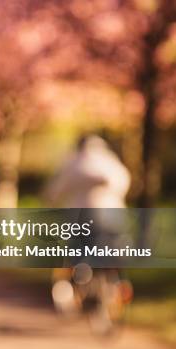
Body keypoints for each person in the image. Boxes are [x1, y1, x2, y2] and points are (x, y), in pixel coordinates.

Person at [45, 134, 133, 334]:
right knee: (112, 257)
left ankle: (81, 280)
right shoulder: (112, 163)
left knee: (76, 256)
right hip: (113, 219)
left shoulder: (73, 163)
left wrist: (49, 201)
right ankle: (119, 285)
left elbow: (56, 190)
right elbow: (123, 184)